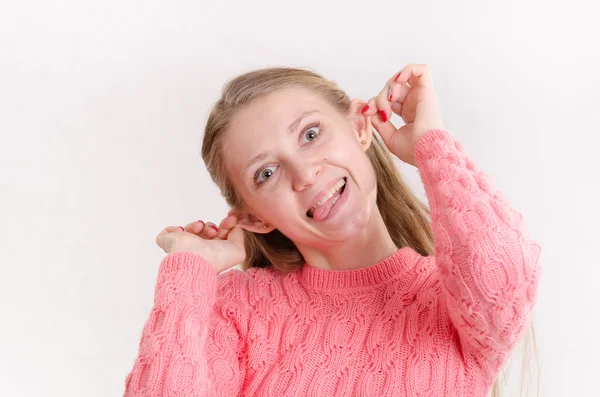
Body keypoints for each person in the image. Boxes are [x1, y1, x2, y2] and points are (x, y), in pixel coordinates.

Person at [123, 64, 541, 396]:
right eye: (266, 172)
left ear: (361, 127)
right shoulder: (237, 312)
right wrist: (189, 270)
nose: (304, 174)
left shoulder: (455, 302)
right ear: (253, 218)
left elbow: (503, 271)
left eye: (310, 134)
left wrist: (431, 144)